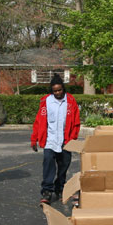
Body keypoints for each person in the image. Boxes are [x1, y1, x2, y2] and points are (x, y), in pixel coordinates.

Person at [31, 74, 81, 204]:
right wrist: (34, 139)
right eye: (55, 91)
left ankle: (60, 189)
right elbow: (38, 122)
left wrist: (72, 139)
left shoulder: (70, 101)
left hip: (65, 141)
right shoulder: (46, 101)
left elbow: (76, 123)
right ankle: (47, 191)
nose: (57, 93)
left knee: (63, 166)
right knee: (48, 165)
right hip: (50, 140)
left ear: (63, 89)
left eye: (60, 90)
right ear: (51, 91)